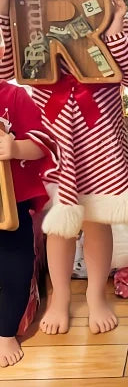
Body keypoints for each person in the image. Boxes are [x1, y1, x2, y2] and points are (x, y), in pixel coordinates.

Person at [0, 0, 128, 335]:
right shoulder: (28, 12)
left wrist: (118, 31)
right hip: (53, 135)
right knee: (59, 225)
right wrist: (3, 15)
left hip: (99, 133)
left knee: (97, 221)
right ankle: (61, 297)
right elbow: (7, 69)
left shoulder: (111, 10)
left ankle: (96, 292)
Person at [0, 28, 58, 367]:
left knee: (16, 268)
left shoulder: (14, 97)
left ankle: (6, 332)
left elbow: (42, 144)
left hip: (12, 206)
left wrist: (14, 147)